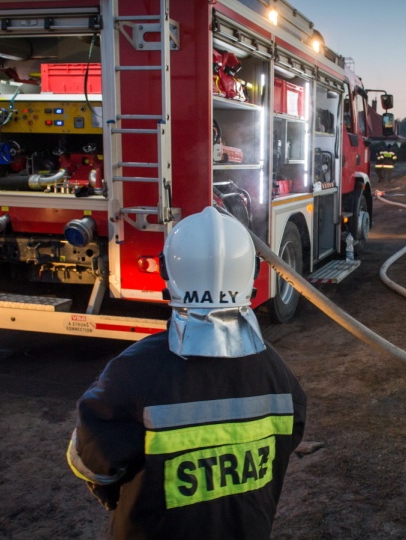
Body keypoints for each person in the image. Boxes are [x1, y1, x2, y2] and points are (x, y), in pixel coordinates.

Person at [67, 206, 307, 539]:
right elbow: (288, 437)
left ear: (168, 272)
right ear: (250, 275)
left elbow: (92, 461)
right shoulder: (278, 374)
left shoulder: (134, 371)